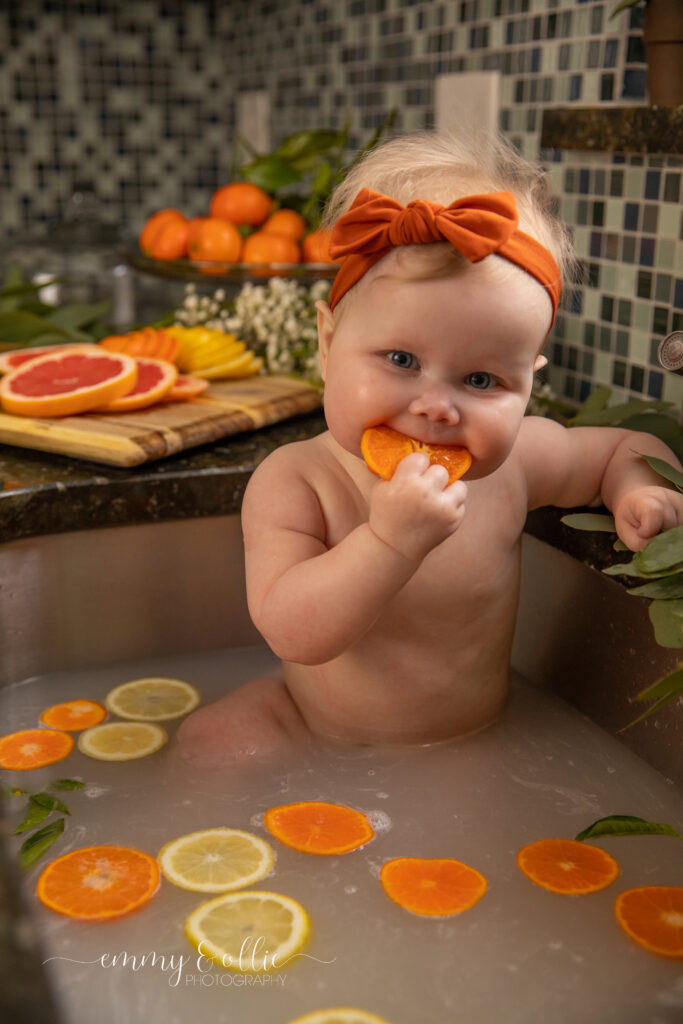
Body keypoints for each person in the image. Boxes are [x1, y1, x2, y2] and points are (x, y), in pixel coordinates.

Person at [177, 131, 683, 766]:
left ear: (530, 383)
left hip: (470, 743)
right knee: (212, 748)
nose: (437, 407)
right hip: (311, 725)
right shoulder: (298, 481)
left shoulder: (518, 463)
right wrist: (390, 543)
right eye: (401, 359)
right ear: (329, 345)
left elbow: (620, 449)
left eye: (481, 380)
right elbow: (291, 630)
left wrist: (639, 491)